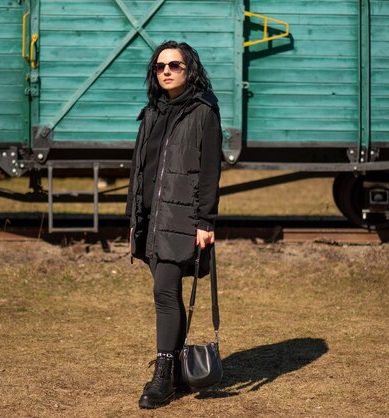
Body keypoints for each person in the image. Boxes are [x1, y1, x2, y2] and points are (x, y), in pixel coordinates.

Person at [125, 40, 223, 409]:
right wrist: (133, 215)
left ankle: (163, 375)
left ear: (189, 69)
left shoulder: (203, 111)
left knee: (164, 292)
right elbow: (141, 169)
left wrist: (205, 220)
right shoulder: (152, 111)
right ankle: (178, 370)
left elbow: (211, 168)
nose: (166, 71)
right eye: (160, 66)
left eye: (175, 65)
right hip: (150, 218)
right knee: (169, 293)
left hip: (181, 217)